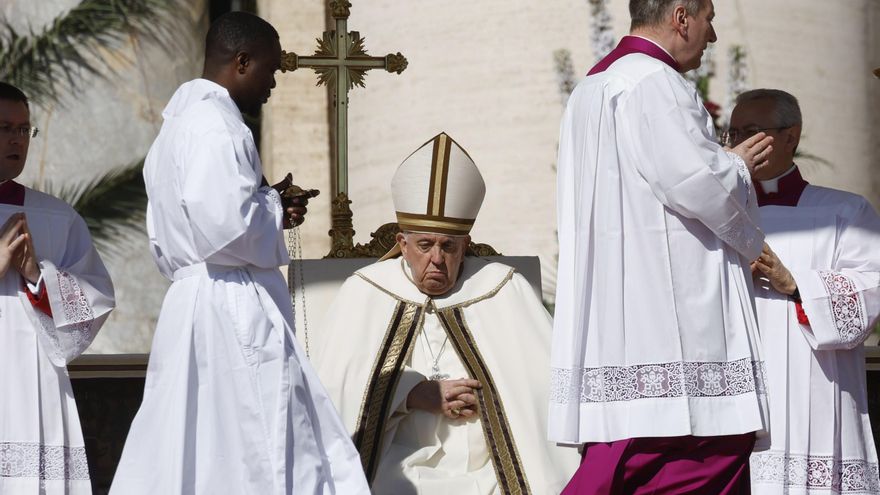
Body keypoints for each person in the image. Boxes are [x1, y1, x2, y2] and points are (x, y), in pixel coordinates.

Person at [110, 12, 368, 494]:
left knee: (199, 442)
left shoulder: (178, 128)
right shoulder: (217, 125)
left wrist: (267, 199)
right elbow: (226, 231)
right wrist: (273, 206)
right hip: (229, 304)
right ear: (242, 62)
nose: (272, 86)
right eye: (270, 72)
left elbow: (210, 214)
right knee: (260, 442)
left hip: (196, 303)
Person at [551, 0, 779, 493]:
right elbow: (696, 183)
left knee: (625, 452)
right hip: (670, 321)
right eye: (708, 20)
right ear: (681, 17)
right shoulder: (657, 83)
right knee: (692, 454)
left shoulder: (591, 87)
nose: (712, 36)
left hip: (619, 317)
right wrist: (736, 164)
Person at [309, 132, 579, 494]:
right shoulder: (365, 290)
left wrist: (490, 395)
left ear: (465, 245)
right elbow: (331, 392)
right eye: (424, 245)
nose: (437, 258)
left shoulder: (503, 288)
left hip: (492, 472)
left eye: (448, 246)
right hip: (393, 467)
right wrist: (411, 393)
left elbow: (542, 391)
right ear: (402, 245)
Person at [725, 89, 880, 494]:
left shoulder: (845, 211)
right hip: (735, 390)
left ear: (791, 136)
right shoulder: (716, 214)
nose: (741, 143)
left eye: (753, 131)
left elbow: (871, 288)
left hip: (814, 383)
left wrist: (795, 285)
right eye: (734, 132)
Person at [0, 82, 115, 494]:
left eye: (23, 129)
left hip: (33, 375)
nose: (16, 139)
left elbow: (97, 296)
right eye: (4, 127)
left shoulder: (55, 216)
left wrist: (37, 276)